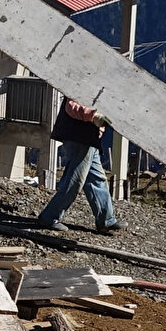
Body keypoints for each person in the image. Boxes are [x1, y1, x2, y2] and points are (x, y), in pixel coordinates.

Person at [37, 98, 127, 234]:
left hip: (88, 140)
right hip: (80, 138)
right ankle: (49, 217)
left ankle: (106, 220)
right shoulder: (85, 83)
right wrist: (93, 116)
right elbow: (71, 106)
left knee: (97, 180)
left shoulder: (95, 84)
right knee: (74, 180)